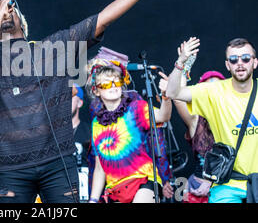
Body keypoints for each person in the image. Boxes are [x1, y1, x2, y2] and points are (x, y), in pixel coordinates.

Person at [0, 0, 181, 203]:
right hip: (11, 171)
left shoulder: (53, 49)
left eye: (10, 10)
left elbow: (103, 19)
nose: (4, 13)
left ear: (23, 24)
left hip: (57, 165)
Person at [166, 37, 258, 203]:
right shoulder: (213, 92)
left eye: (245, 58)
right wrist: (181, 62)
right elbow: (173, 93)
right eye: (233, 59)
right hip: (227, 185)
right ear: (227, 65)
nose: (240, 63)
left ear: (254, 62)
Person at [87, 58, 172, 203]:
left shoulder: (137, 108)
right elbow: (100, 168)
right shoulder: (96, 124)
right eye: (107, 83)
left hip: (145, 181)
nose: (113, 87)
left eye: (117, 82)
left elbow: (164, 116)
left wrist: (166, 96)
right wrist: (93, 200)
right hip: (115, 190)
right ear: (96, 90)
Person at [168, 70, 225, 203]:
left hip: (226, 189)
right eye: (206, 89)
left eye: (217, 88)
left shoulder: (236, 118)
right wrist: (185, 64)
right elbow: (177, 96)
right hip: (196, 190)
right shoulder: (195, 121)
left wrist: (212, 183)